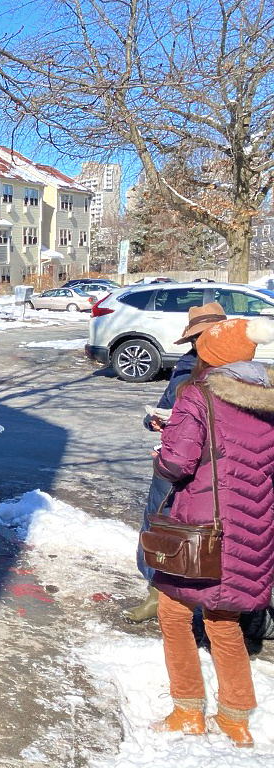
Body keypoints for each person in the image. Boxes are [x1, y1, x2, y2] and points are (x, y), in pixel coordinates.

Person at [150, 317, 274, 748]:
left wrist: (164, 446)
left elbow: (176, 463)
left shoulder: (198, 396)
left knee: (174, 613)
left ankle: (188, 711)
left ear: (211, 354)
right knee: (226, 622)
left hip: (202, 527)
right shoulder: (266, 400)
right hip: (253, 528)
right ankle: (236, 719)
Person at [125, 303, 227, 622]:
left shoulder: (238, 372)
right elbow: (165, 406)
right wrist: (156, 420)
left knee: (209, 533)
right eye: (197, 337)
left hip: (214, 464)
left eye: (205, 336)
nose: (201, 343)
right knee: (160, 523)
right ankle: (156, 594)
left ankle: (206, 606)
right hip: (173, 458)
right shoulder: (187, 365)